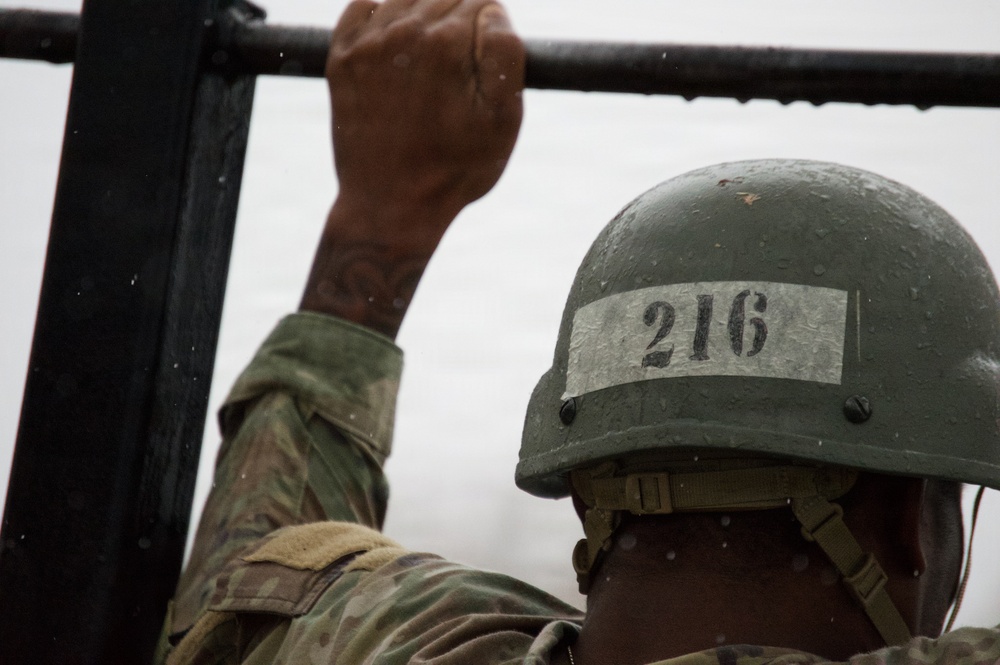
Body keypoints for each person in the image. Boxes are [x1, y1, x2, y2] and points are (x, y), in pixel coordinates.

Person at [156, 0, 1000, 663]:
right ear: (908, 525)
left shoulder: (395, 642)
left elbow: (255, 587)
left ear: (587, 491)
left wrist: (380, 219)